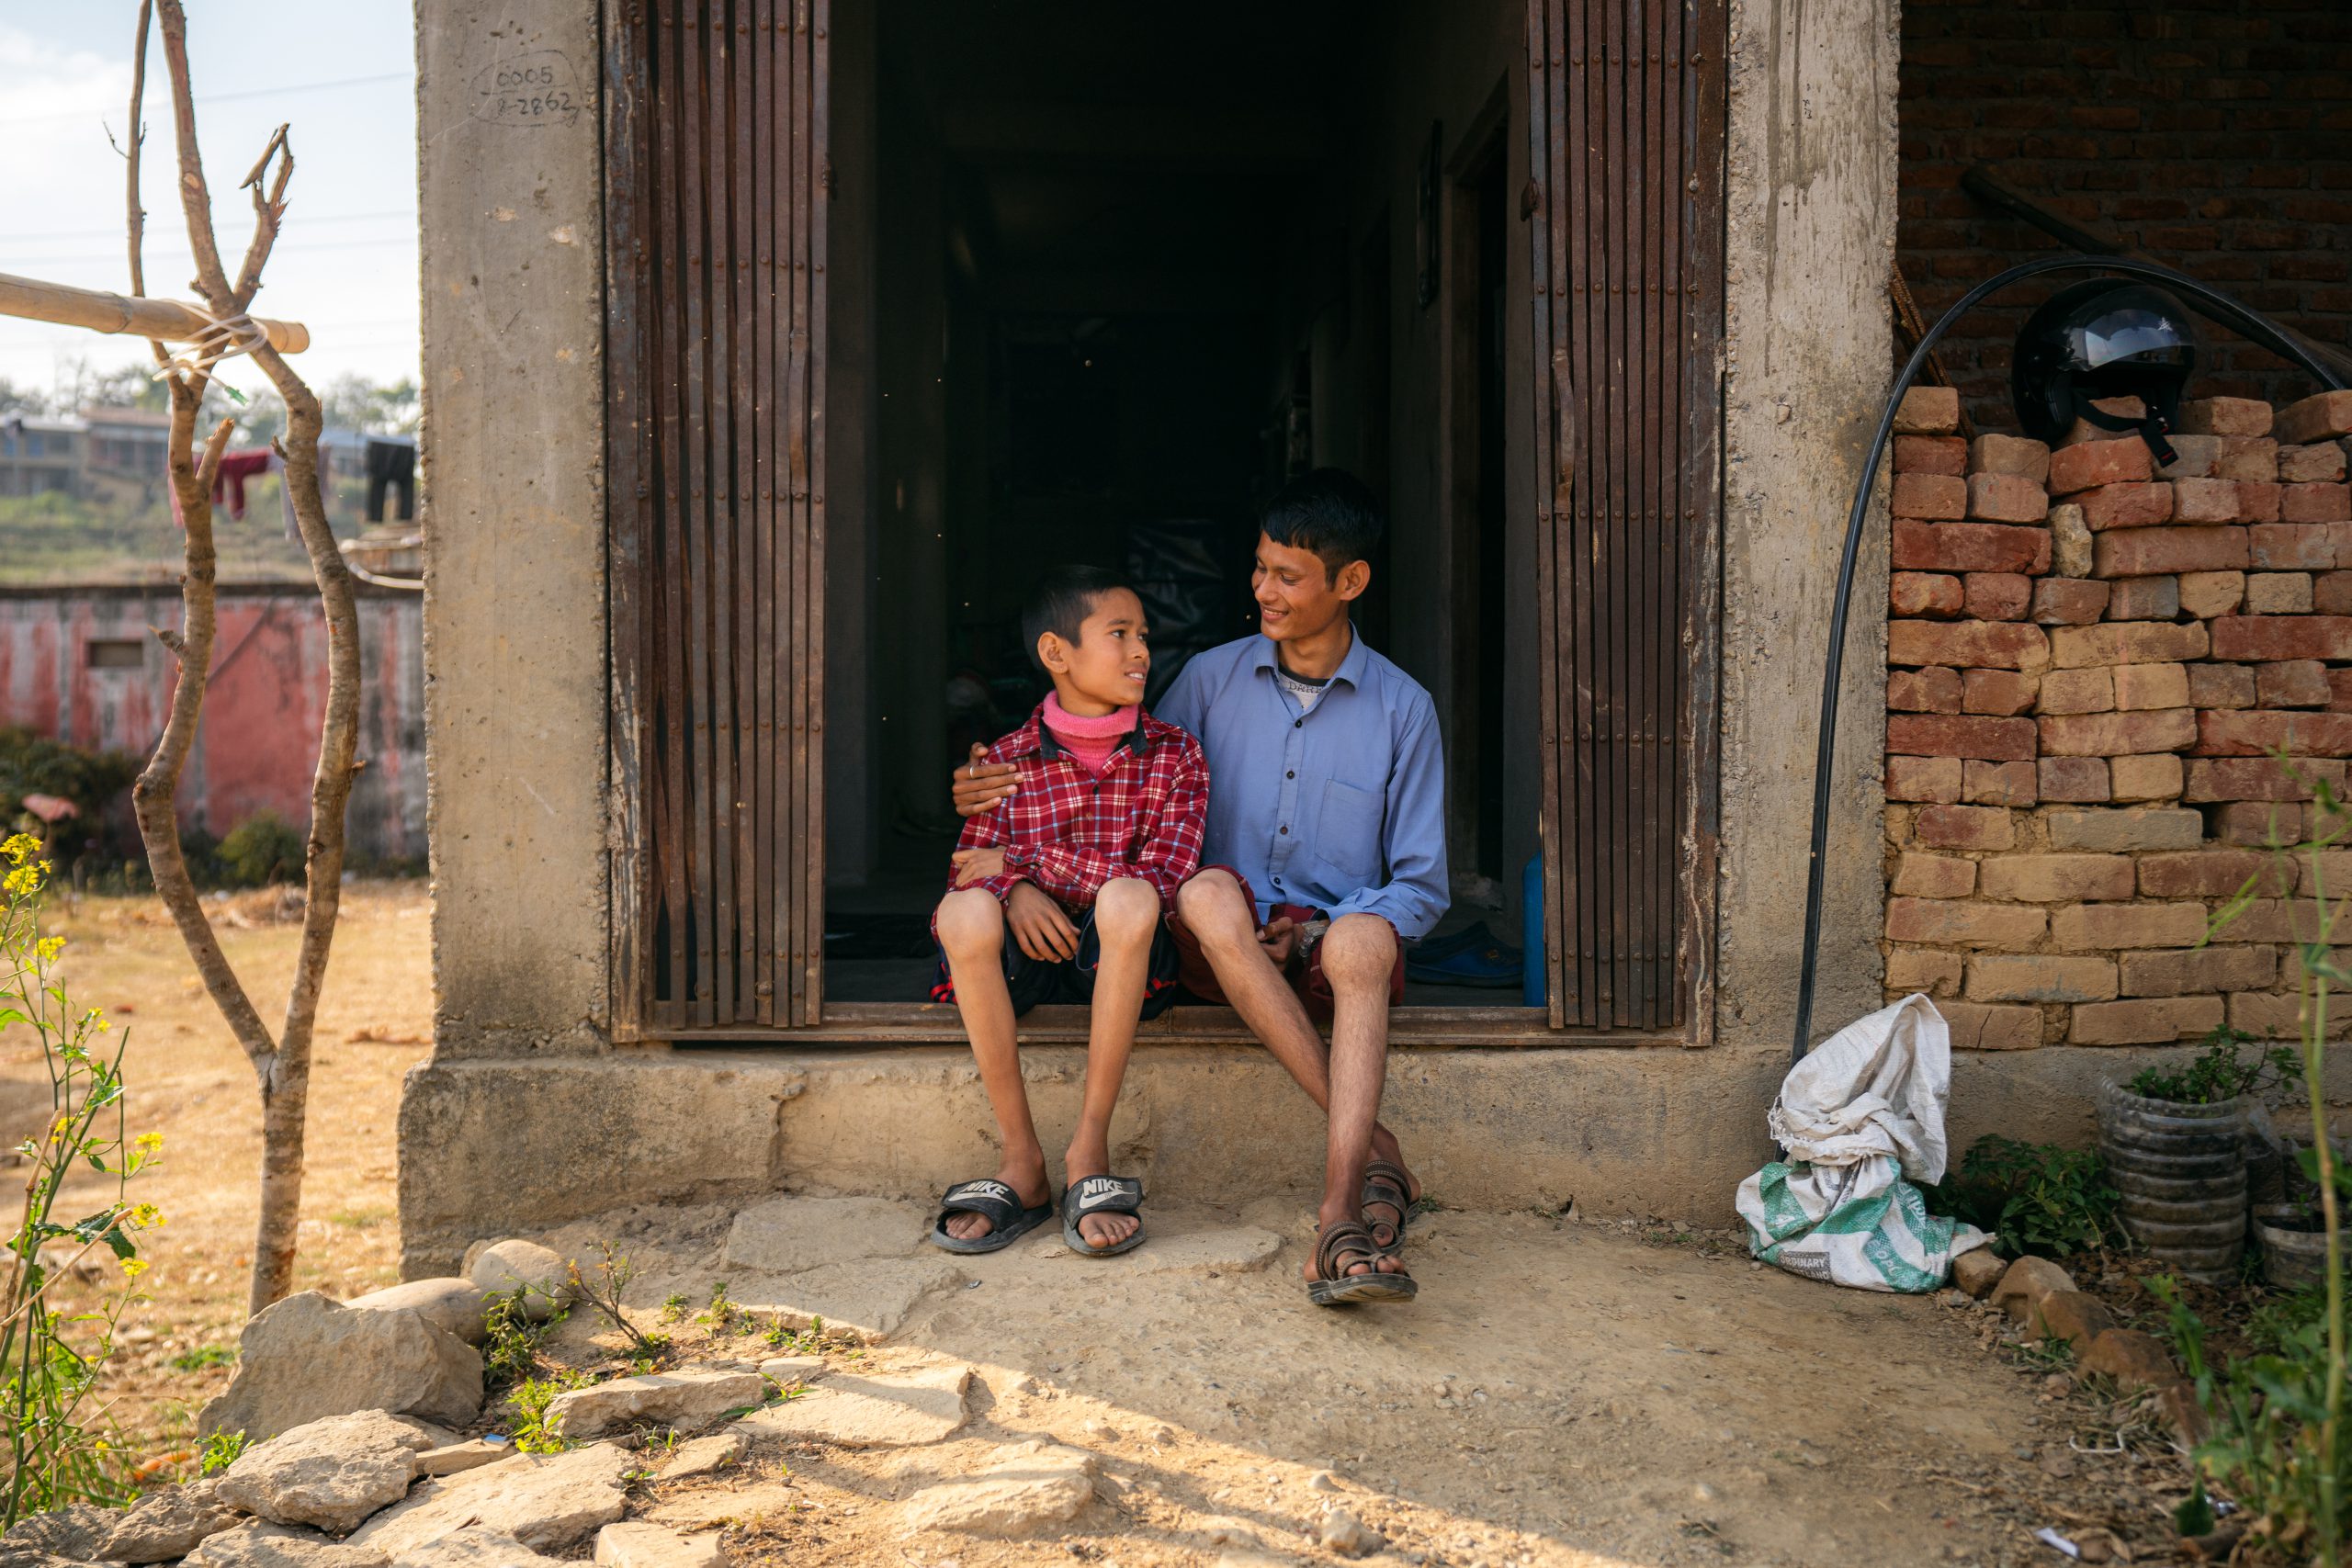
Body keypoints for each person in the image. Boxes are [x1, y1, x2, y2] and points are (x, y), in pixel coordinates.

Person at [955, 470, 1445, 1305]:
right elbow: (1121, 780)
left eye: (1287, 575)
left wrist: (1317, 931)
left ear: (1350, 581)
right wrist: (990, 795)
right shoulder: (1209, 681)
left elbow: (1423, 885)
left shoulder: (1404, 709)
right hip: (1213, 938)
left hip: (1330, 946)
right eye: (1259, 567)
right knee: (1209, 892)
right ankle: (1378, 1151)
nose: (1262, 590)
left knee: (1364, 937)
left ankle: (1337, 1209)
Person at [929, 565, 1211, 1259]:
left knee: (1130, 896)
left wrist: (1026, 863)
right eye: (1120, 633)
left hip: (1124, 966)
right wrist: (1013, 888)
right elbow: (969, 869)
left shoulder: (1175, 755)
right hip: (1026, 968)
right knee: (963, 913)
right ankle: (1021, 1160)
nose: (1141, 650)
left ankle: (1089, 1149)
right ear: (1057, 652)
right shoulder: (1004, 760)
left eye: (1144, 635)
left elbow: (1163, 881)